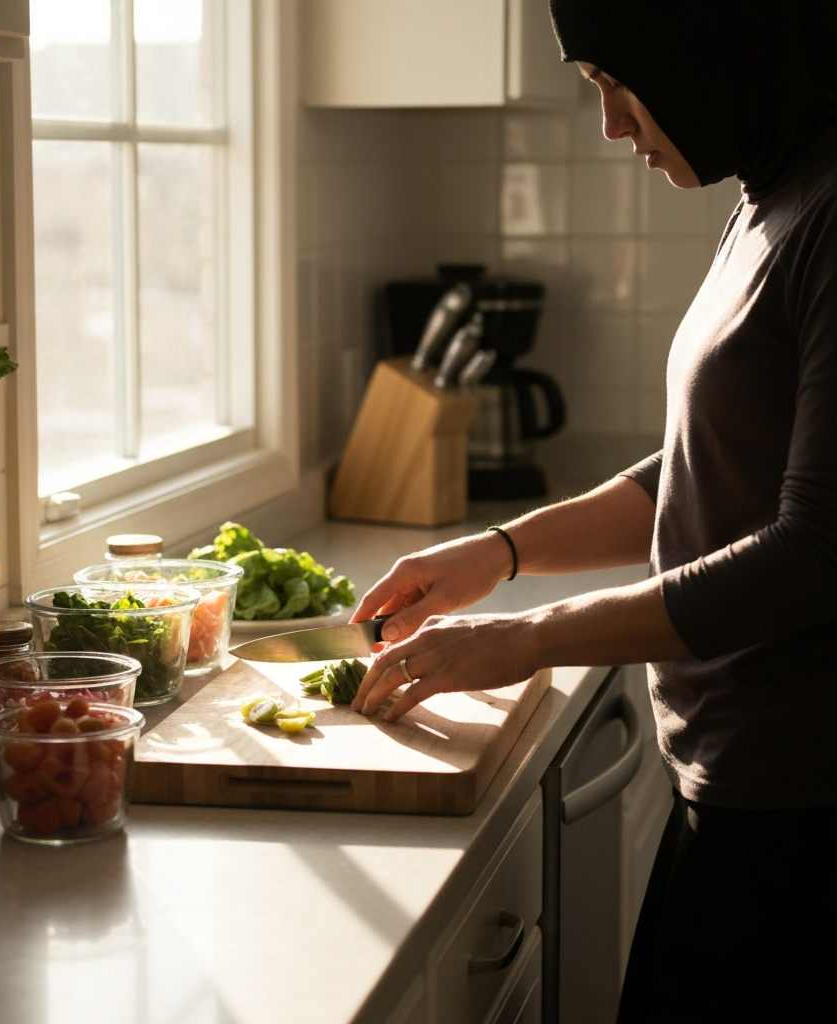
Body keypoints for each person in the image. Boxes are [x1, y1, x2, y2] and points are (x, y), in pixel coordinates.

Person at [348, 1, 837, 1020]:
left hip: (802, 825)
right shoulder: (775, 191)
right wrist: (500, 551)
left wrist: (530, 639)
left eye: (618, 81)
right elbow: (710, 464)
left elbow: (812, 553)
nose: (613, 126)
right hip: (735, 788)